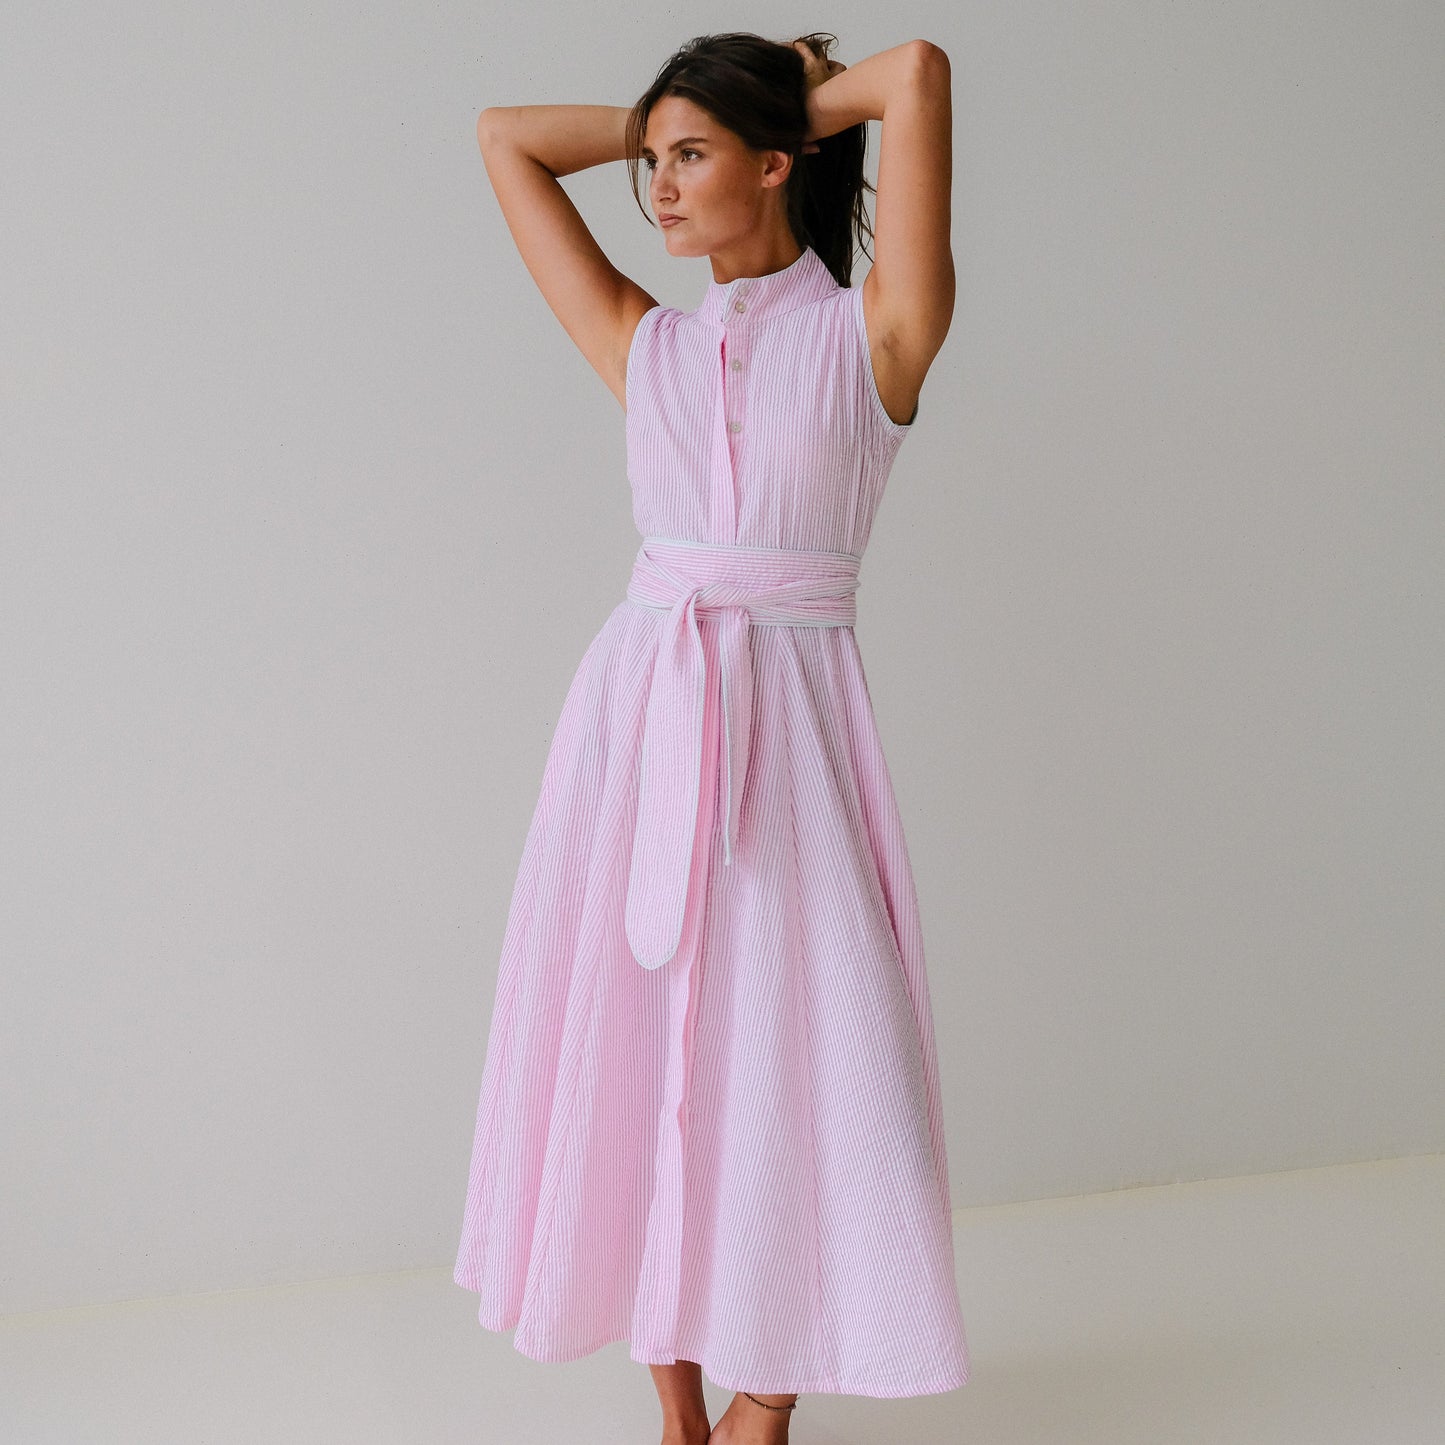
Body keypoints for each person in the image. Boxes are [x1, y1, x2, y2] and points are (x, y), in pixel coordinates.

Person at [453, 31, 967, 1445]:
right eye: (653, 158)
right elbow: (505, 137)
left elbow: (916, 72)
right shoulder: (651, 344)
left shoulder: (872, 333)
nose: (659, 187)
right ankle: (679, 1404)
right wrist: (679, 116)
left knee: (799, 1052)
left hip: (789, 743)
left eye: (691, 157)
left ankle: (766, 1395)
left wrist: (768, 97)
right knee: (635, 1042)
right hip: (635, 725)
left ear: (779, 161)